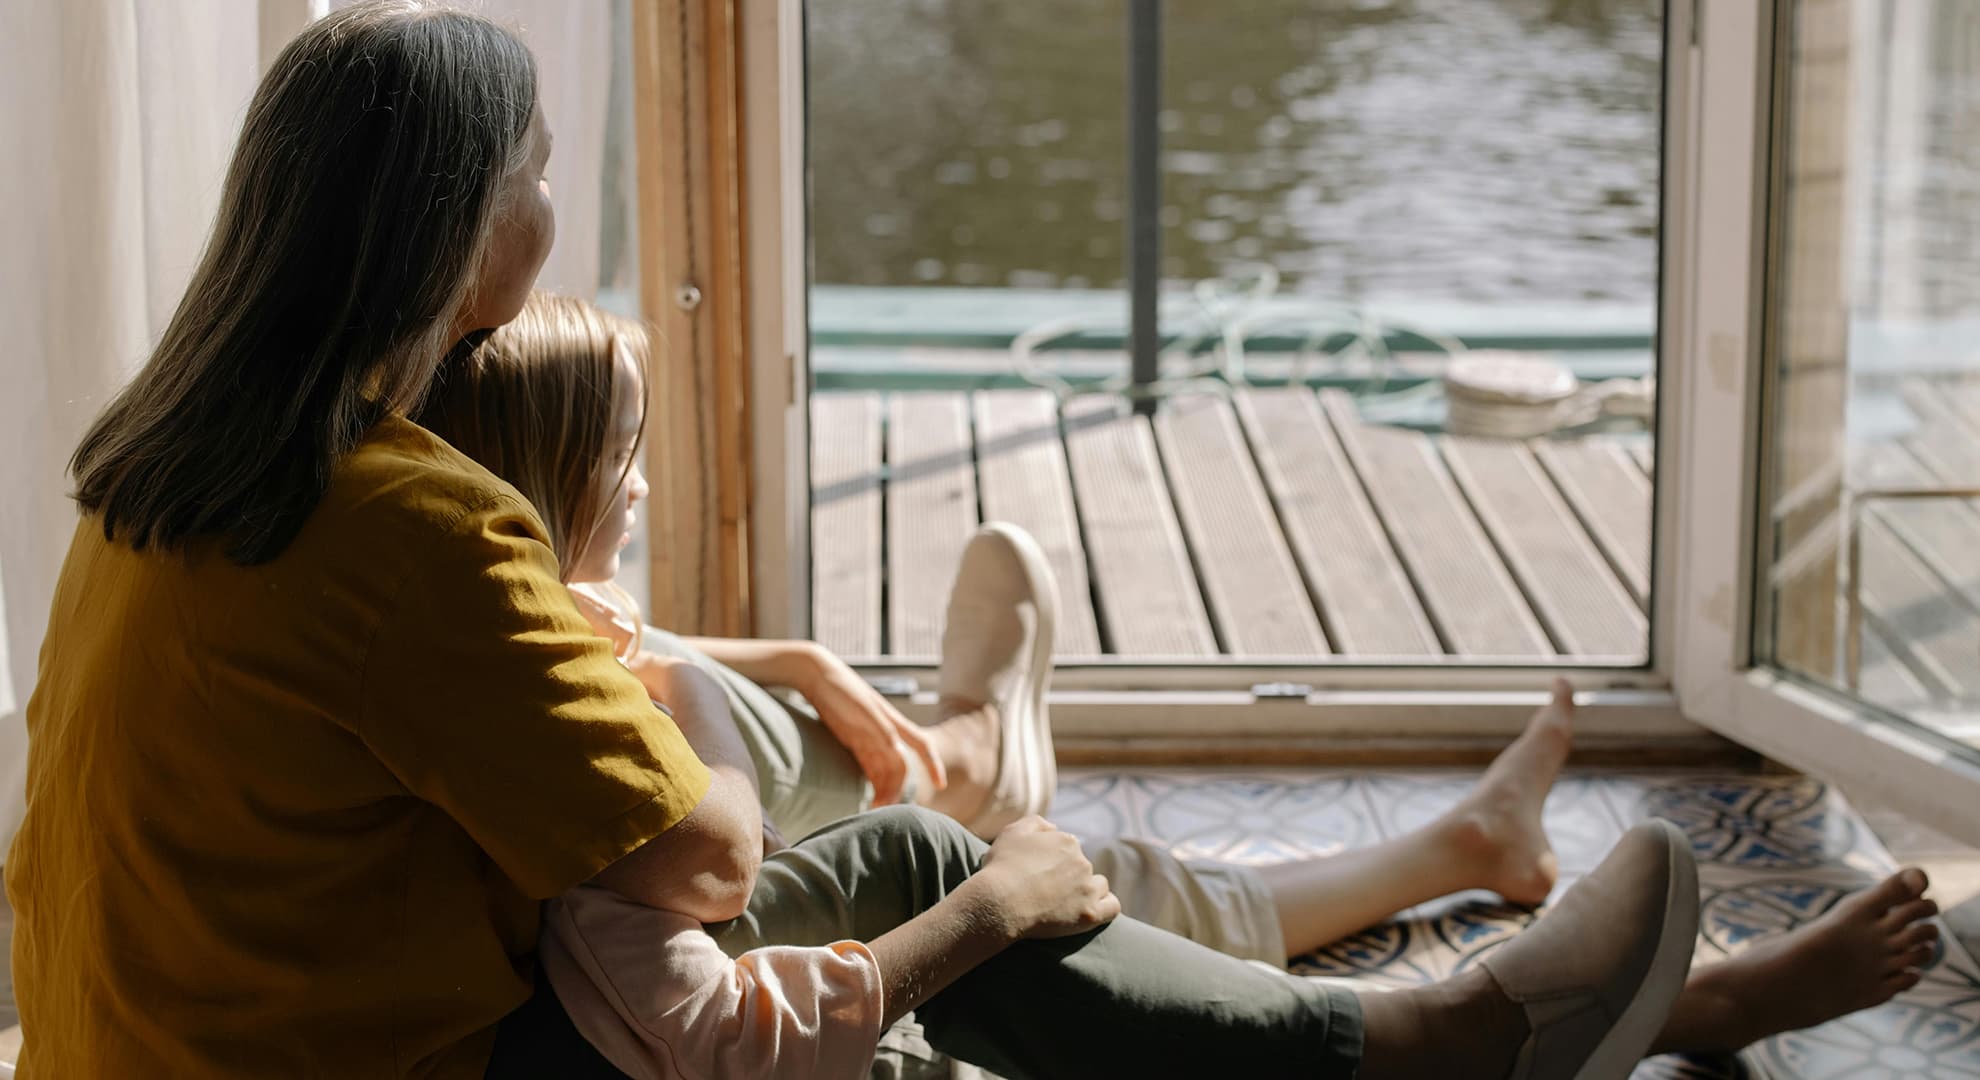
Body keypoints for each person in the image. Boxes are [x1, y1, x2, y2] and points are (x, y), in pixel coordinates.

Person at [8, 3, 1705, 1077]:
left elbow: (435, 688)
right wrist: (767, 786)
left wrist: (731, 676)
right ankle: (1435, 1036)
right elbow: (707, 864)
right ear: (460, 240)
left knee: (900, 846)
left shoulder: (159, 462)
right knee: (930, 870)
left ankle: (1356, 993)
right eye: (534, 167)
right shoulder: (407, 520)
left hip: (142, 1047)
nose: (552, 195)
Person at [423, 291, 1943, 1077]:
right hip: (671, 1057)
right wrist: (979, 907)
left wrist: (769, 663)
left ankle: (1473, 885)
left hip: (636, 1022)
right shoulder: (607, 799)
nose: (647, 486)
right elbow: (712, 1023)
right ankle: (1535, 1022)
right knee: (1023, 929)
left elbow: (607, 627)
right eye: (624, 465)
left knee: (1029, 881)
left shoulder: (506, 617)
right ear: (541, 495)